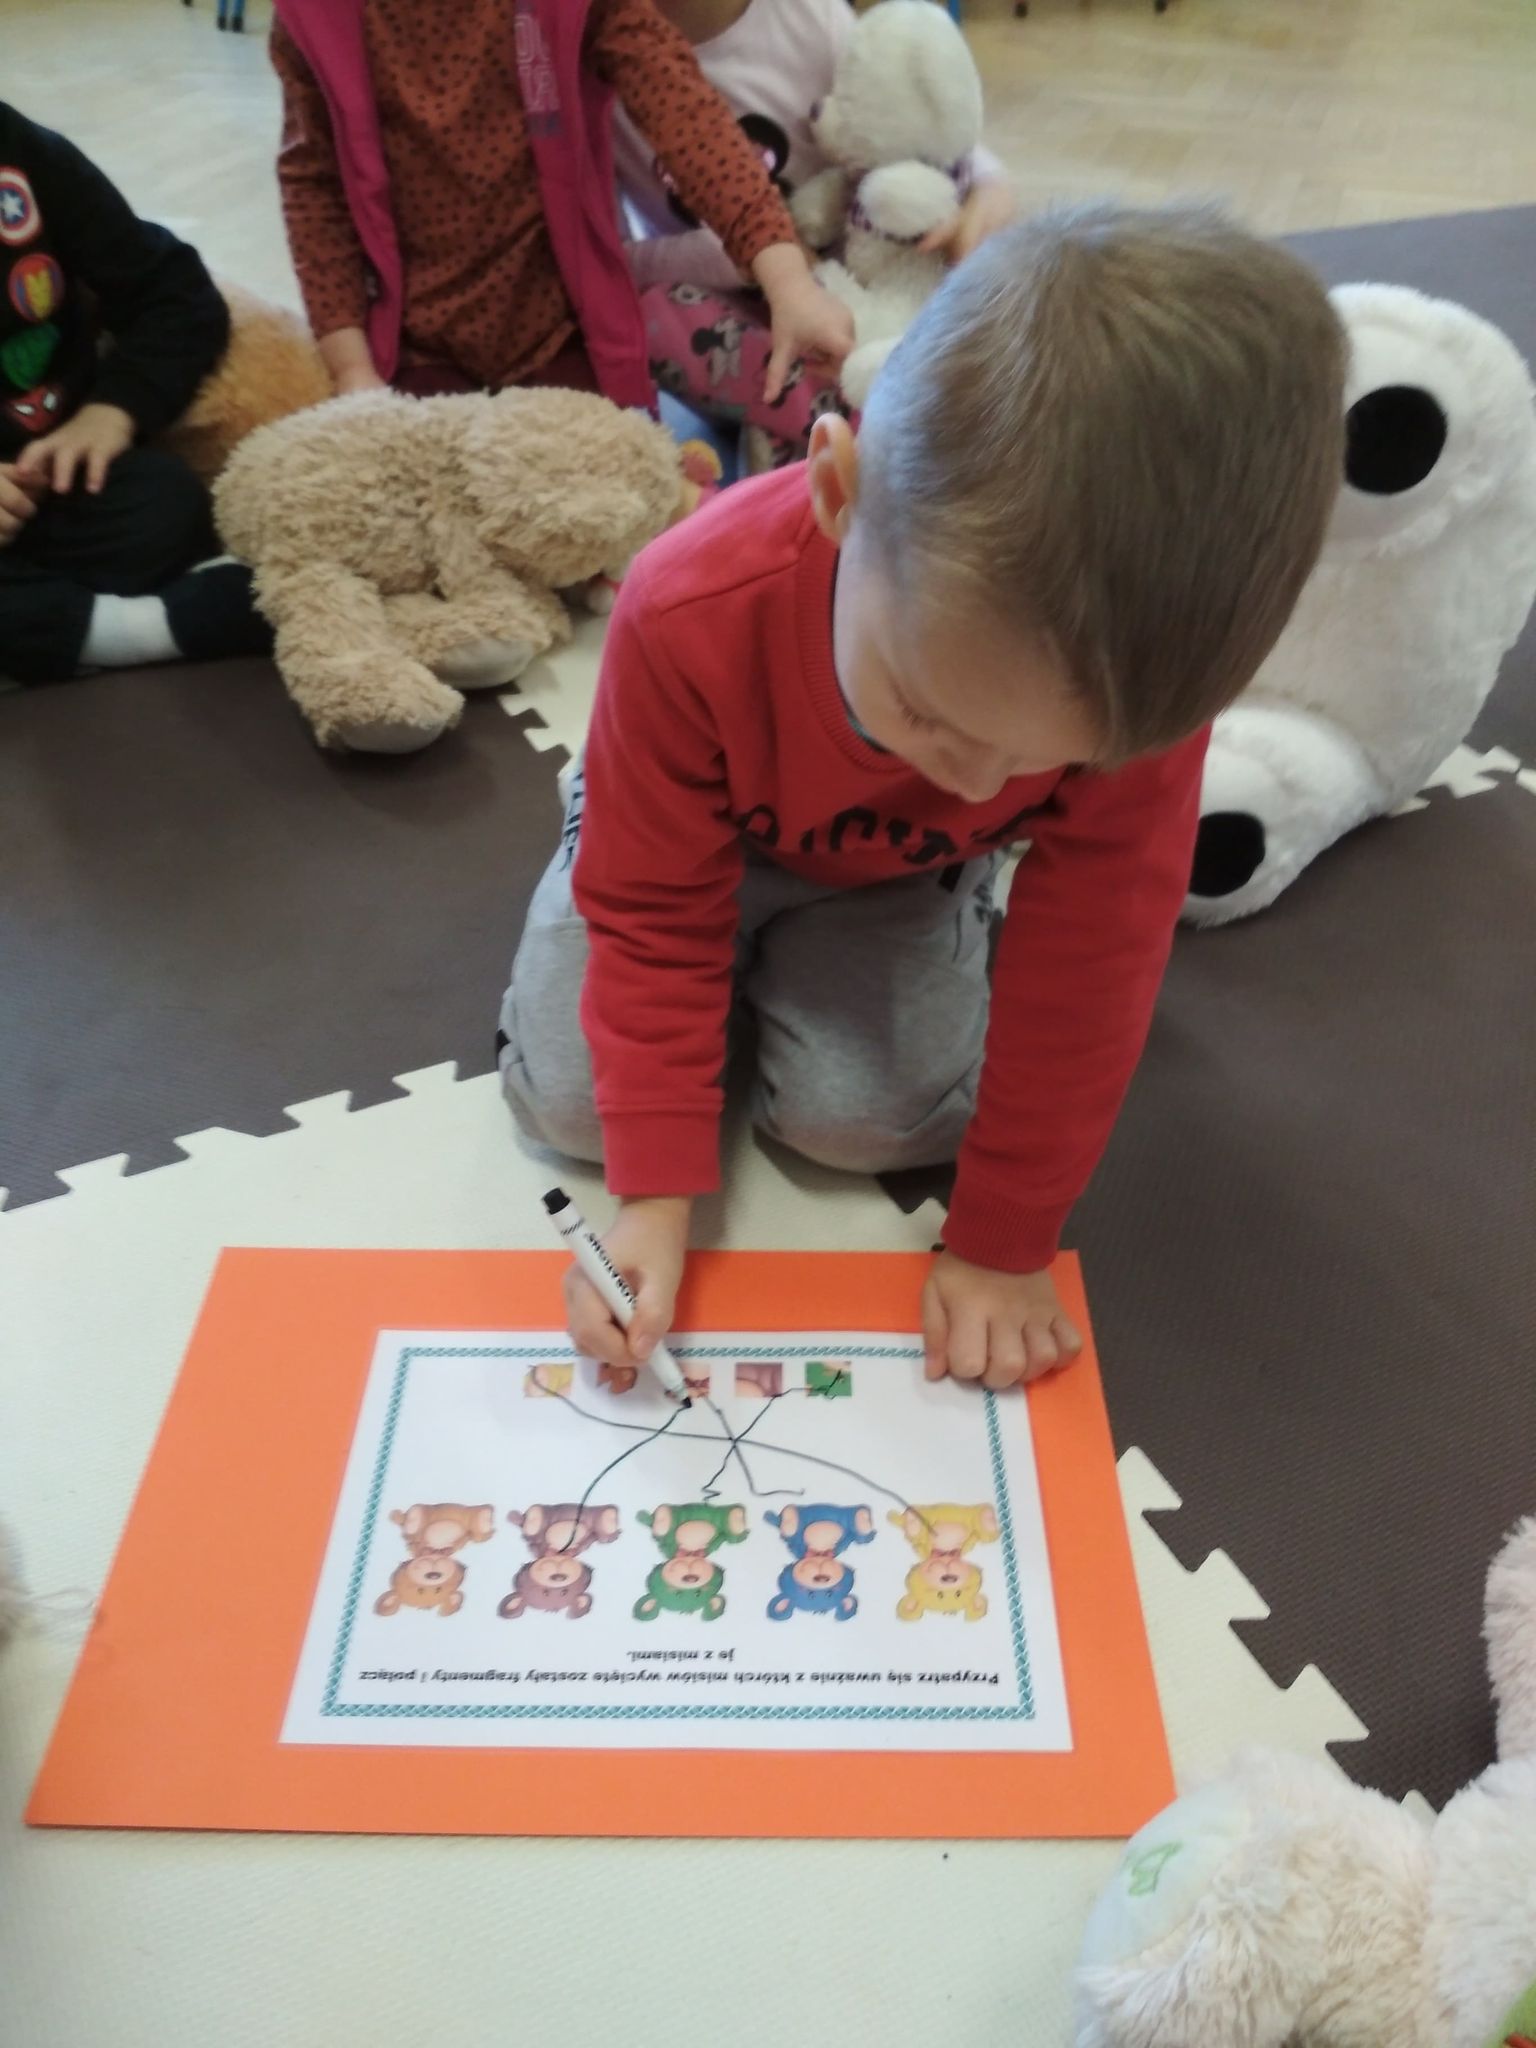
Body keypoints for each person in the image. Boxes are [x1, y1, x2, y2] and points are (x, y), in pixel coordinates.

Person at [498, 205, 1347, 1390]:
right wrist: (654, 1198)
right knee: (574, 1108)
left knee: (880, 1123)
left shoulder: (1134, 689)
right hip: (685, 830)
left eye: (1038, 761)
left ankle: (828, 952)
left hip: (892, 868)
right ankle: (626, 887)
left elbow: (1095, 953)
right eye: (930, 713)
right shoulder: (688, 607)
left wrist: (1005, 1240)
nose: (978, 784)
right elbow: (652, 910)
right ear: (836, 490)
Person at [268, 0, 852, 411]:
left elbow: (686, 110)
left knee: (608, 511)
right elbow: (313, 184)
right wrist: (351, 366)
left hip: (566, 336)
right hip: (411, 354)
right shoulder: (315, 19)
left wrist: (786, 280)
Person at [614, 0, 1018, 469]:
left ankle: (828, 427)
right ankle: (884, 419)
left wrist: (988, 185)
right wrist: (745, 256)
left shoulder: (810, 15)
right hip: (738, 333)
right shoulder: (599, 66)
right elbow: (609, 263)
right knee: (650, 315)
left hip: (858, 296)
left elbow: (908, 120)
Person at [0, 102, 269, 686]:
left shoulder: (21, 151)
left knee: (167, 504)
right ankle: (139, 631)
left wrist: (112, 410)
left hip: (47, 479)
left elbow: (173, 292)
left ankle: (50, 635)